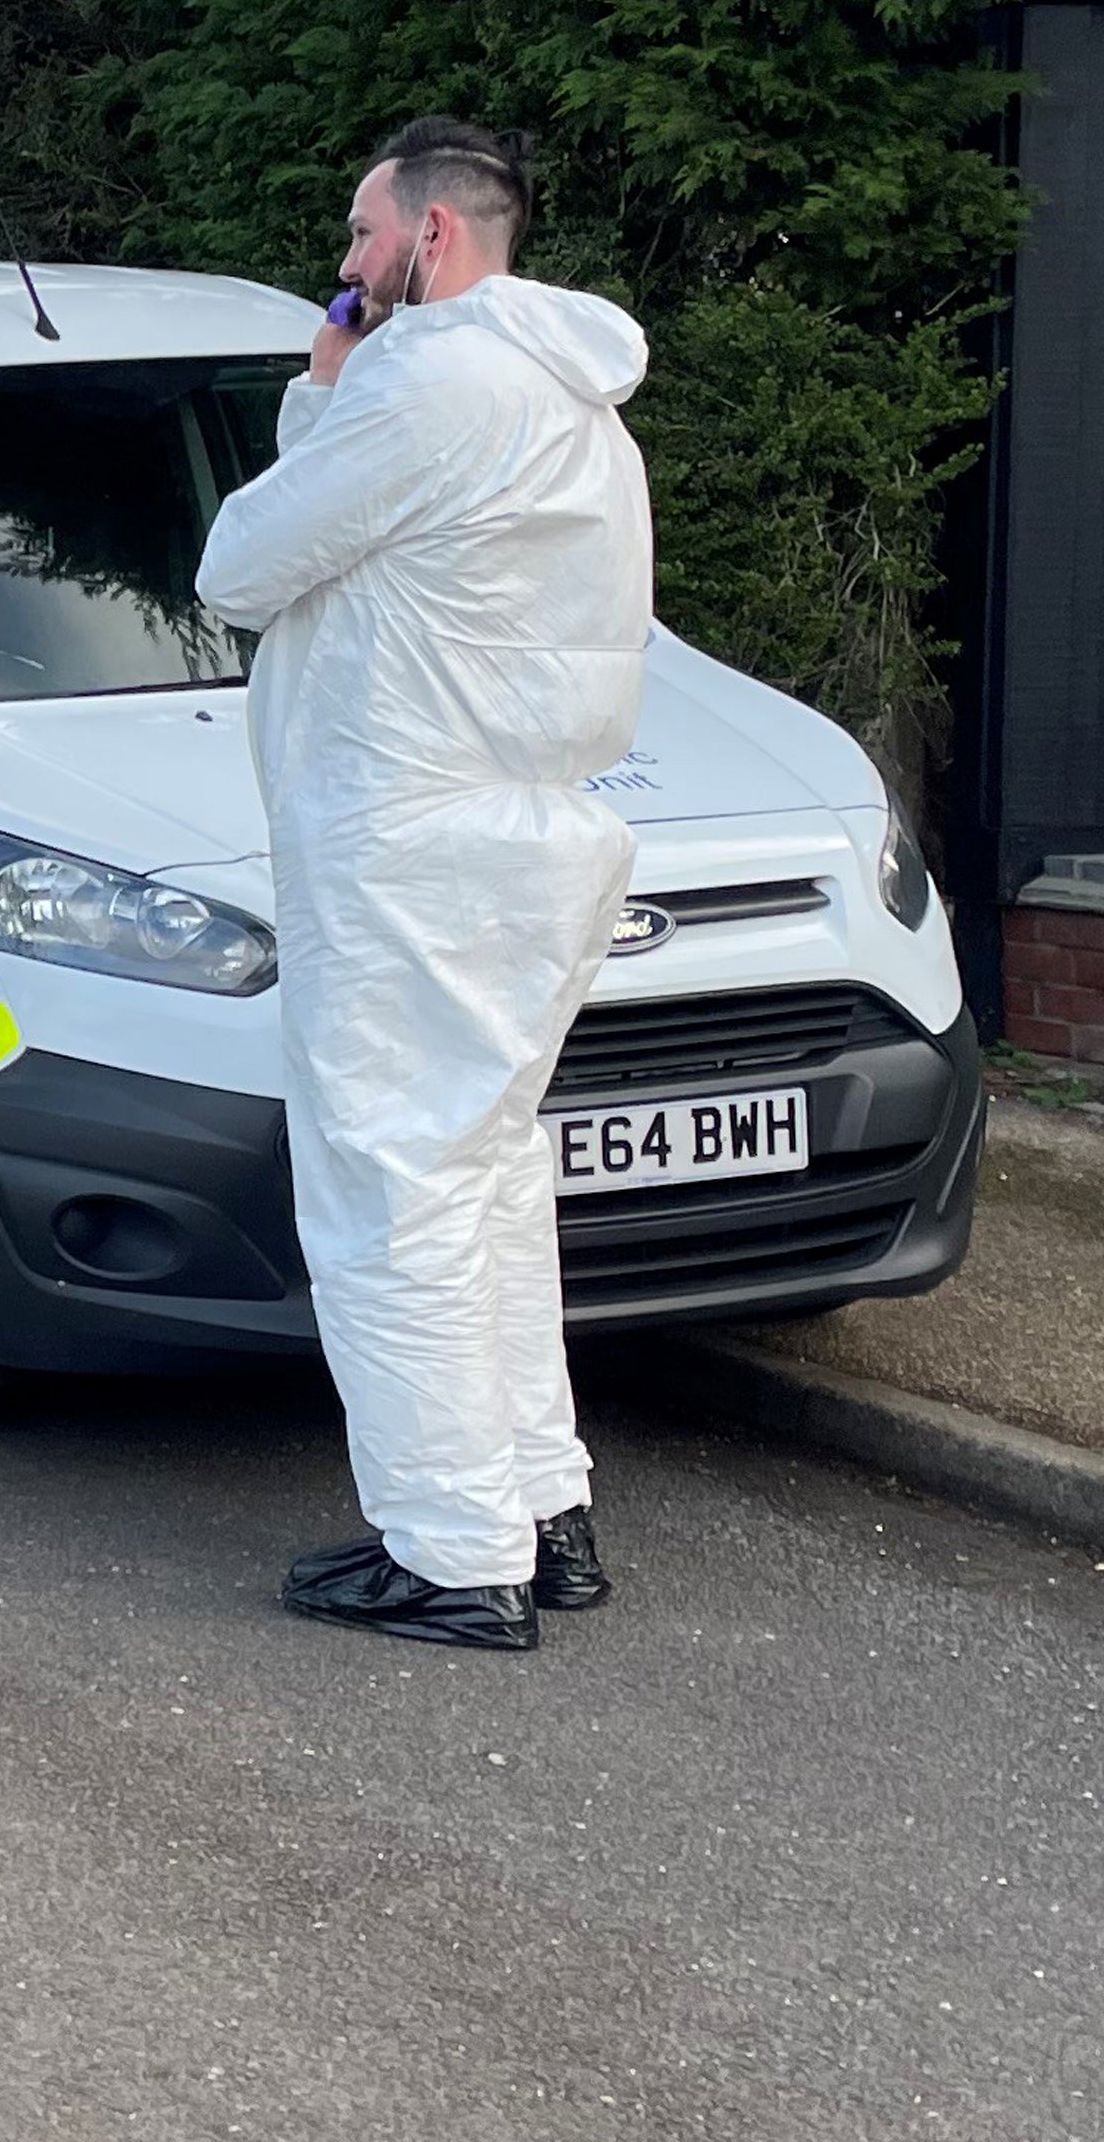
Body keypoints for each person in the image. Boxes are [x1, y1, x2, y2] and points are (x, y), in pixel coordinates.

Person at [193, 116, 654, 1652]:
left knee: (388, 1185)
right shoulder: (569, 401)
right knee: (488, 1176)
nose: (344, 266)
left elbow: (238, 568)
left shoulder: (422, 381)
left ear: (432, 244)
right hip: (533, 837)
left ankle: (454, 1554)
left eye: (360, 235)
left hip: (408, 839)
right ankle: (540, 1506)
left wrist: (317, 386)